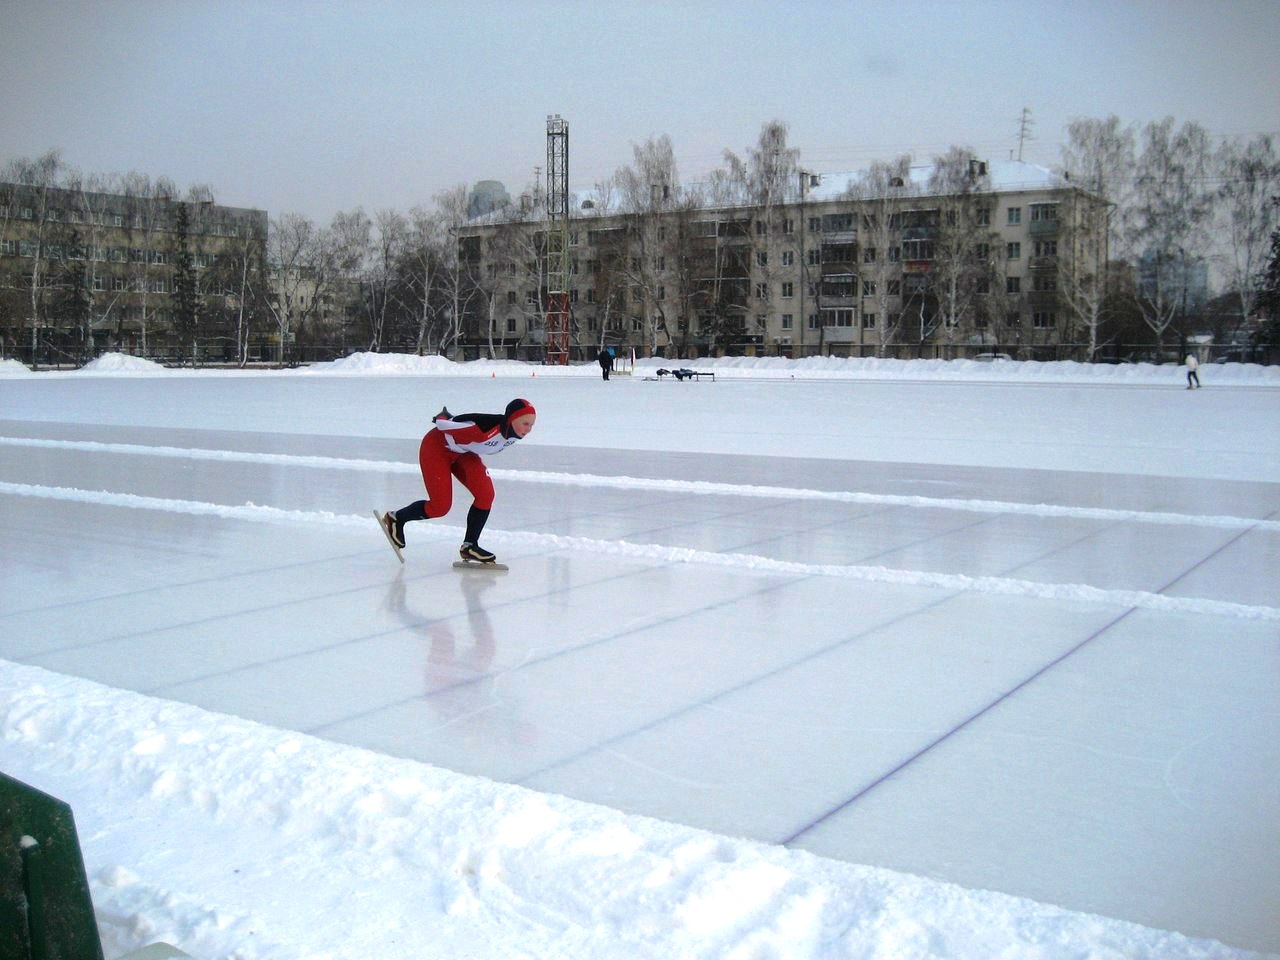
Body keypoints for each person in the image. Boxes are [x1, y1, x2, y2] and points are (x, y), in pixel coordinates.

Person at [379, 398, 536, 564]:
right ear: (511, 419)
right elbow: (443, 424)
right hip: (437, 447)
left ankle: (470, 546)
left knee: (486, 495)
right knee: (440, 507)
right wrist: (443, 416)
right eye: (525, 423)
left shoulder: (513, 435)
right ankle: (397, 518)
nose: (528, 429)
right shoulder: (484, 427)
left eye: (532, 425)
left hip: (463, 452)